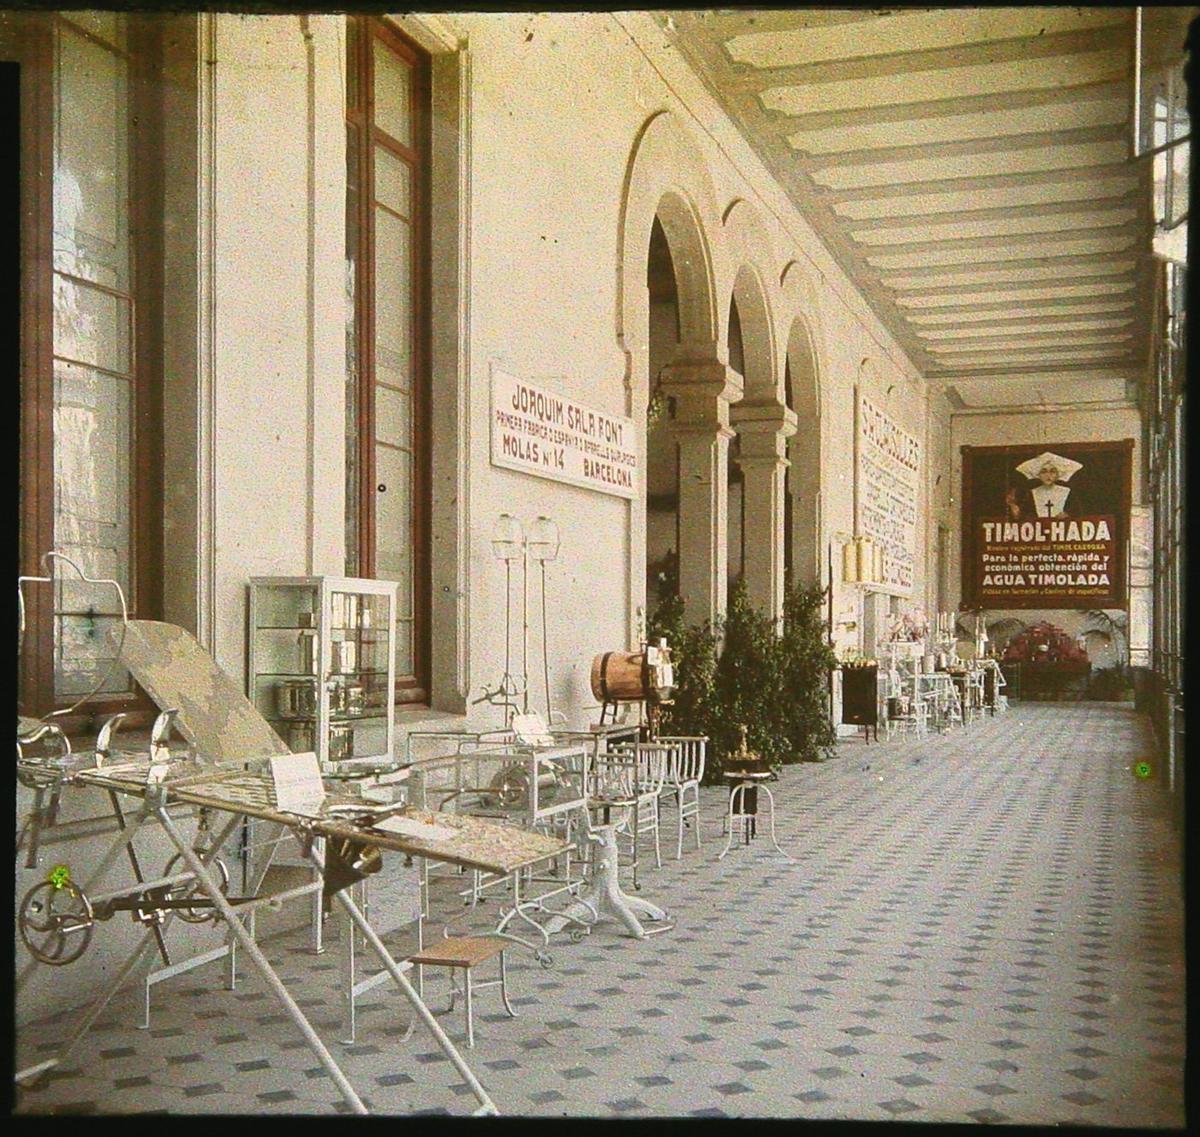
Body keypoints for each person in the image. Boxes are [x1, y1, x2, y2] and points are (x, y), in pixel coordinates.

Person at [1004, 452, 1082, 520]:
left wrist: (1067, 515)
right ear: (1039, 475)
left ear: (1058, 475)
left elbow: (1078, 514)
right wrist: (1013, 506)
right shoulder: (1033, 493)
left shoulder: (1067, 492)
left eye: (1052, 472)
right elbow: (1023, 516)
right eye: (1044, 472)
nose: (1048, 475)